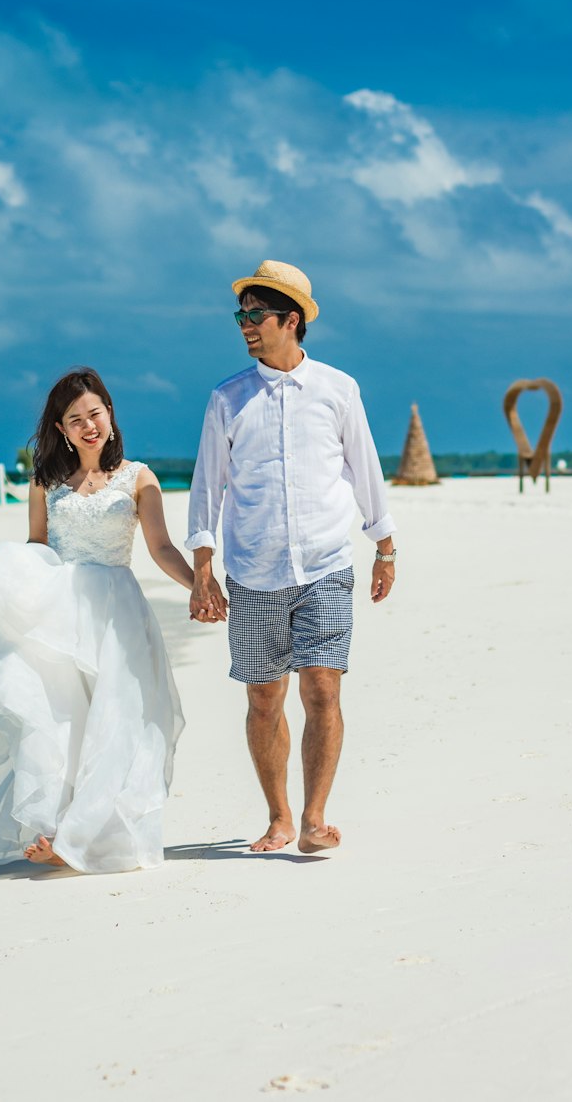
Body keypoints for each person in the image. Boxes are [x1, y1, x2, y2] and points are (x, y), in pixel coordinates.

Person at [0, 368, 190, 873]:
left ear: (110, 415)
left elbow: (159, 547)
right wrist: (9, 598)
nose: (88, 425)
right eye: (75, 420)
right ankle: (57, 829)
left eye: (95, 413)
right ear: (61, 429)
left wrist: (201, 585)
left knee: (116, 722)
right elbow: (37, 547)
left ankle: (89, 834)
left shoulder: (139, 477)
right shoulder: (45, 481)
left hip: (117, 613)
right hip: (59, 611)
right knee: (61, 720)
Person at [186, 260, 396, 855]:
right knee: (262, 697)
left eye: (256, 315)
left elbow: (366, 469)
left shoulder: (338, 389)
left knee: (323, 691)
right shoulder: (228, 398)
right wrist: (202, 568)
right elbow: (207, 487)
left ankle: (313, 817)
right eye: (241, 315)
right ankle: (277, 816)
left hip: (327, 563)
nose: (246, 326)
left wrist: (385, 545)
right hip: (252, 572)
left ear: (292, 320)